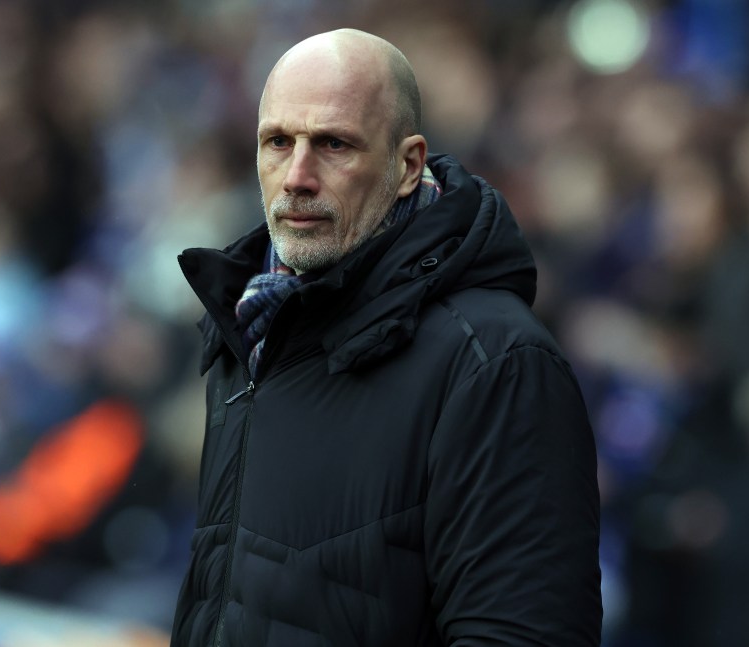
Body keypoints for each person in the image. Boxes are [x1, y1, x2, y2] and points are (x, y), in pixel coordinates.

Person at [173, 28, 602, 646]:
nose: (296, 175)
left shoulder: (497, 361)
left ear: (408, 166)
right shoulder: (246, 332)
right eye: (277, 142)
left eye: (333, 144)